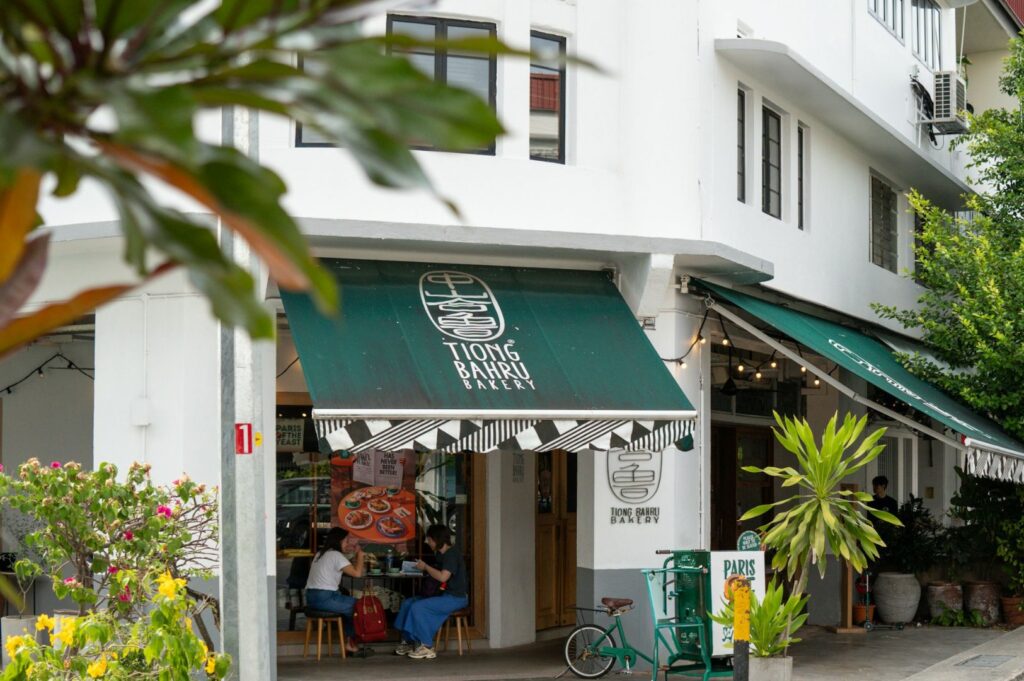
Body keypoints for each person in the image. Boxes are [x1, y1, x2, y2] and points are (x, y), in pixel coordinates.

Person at [393, 524, 469, 660]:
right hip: (442, 594)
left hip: (455, 598)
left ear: (437, 539)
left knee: (418, 607)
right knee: (408, 603)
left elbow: (443, 577)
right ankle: (410, 642)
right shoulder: (440, 554)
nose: (427, 542)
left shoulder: (452, 554)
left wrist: (426, 567)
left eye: (429, 539)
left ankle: (427, 646)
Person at [305, 527, 365, 654]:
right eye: (346, 540)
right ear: (339, 541)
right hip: (325, 598)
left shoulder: (321, 553)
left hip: (311, 597)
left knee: (349, 604)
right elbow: (357, 573)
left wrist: (353, 556)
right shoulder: (336, 555)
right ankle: (351, 643)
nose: (348, 544)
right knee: (358, 606)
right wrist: (360, 556)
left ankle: (350, 641)